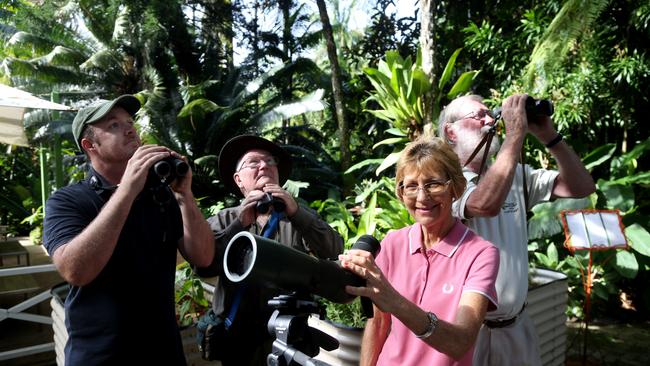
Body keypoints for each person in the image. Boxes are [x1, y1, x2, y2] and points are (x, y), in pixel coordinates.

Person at [42, 95, 214, 365]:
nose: (130, 129)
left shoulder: (161, 195)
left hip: (164, 353)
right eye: (113, 125)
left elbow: (203, 257)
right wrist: (128, 189)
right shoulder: (66, 201)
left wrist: (184, 196)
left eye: (129, 121)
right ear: (90, 145)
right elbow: (75, 270)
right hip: (101, 356)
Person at [438, 94, 596, 365]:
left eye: (491, 113)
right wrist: (515, 136)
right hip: (469, 333)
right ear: (451, 131)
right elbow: (484, 204)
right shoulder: (441, 180)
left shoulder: (516, 175)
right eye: (479, 116)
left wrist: (549, 136)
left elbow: (582, 186)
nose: (490, 120)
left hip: (517, 325)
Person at [340, 137, 500, 366]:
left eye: (434, 183)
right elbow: (377, 324)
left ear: (455, 187)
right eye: (412, 186)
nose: (422, 197)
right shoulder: (393, 243)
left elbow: (461, 342)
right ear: (401, 192)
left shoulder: (480, 254)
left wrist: (394, 301)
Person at [195, 135, 344, 365]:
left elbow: (333, 249)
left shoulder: (296, 217)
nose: (264, 166)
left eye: (270, 161)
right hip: (239, 342)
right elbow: (205, 265)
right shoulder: (223, 220)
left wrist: (297, 213)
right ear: (239, 180)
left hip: (291, 339)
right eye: (253, 162)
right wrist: (239, 224)